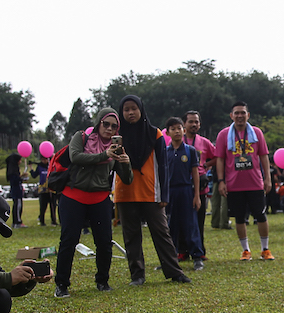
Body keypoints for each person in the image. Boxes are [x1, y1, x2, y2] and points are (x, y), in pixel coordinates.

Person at [111, 97, 191, 287]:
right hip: (125, 192)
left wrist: (164, 195)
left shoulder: (154, 134)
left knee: (162, 233)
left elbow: (163, 166)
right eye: (126, 110)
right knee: (131, 237)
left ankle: (174, 272)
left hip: (151, 192)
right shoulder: (117, 135)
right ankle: (137, 275)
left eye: (134, 109)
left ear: (141, 110)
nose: (130, 113)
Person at [54, 109, 133, 297]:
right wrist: (105, 155)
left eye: (114, 126)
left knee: (104, 243)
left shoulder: (115, 148)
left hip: (100, 199)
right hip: (73, 197)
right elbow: (77, 157)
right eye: (106, 124)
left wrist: (125, 162)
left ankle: (102, 281)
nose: (110, 129)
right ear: (98, 123)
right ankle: (62, 284)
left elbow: (127, 179)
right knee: (69, 240)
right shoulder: (81, 137)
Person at [215, 102, 274, 261]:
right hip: (234, 185)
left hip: (255, 183)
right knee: (239, 218)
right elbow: (220, 159)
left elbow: (263, 156)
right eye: (236, 113)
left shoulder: (256, 133)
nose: (239, 116)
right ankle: (246, 251)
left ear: (248, 115)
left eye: (242, 113)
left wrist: (267, 179)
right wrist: (221, 181)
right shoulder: (223, 135)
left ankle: (265, 249)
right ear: (231, 115)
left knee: (261, 216)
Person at [164, 117, 205, 271]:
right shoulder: (164, 152)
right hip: (170, 192)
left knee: (191, 225)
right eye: (173, 128)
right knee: (170, 226)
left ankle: (197, 256)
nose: (177, 131)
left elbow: (195, 173)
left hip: (186, 190)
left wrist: (196, 195)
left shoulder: (190, 151)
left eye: (179, 128)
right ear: (168, 132)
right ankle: (170, 258)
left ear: (184, 131)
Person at [184, 110, 216, 257]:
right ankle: (182, 251)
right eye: (190, 121)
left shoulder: (204, 142)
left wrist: (205, 165)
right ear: (184, 124)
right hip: (182, 186)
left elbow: (217, 157)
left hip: (200, 189)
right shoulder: (177, 141)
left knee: (199, 221)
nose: (194, 124)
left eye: (196, 122)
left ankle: (200, 251)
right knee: (182, 221)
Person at [31, 155, 57, 226]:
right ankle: (42, 221)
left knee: (53, 206)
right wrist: (31, 169)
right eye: (42, 159)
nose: (44, 161)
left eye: (45, 159)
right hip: (43, 190)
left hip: (51, 190)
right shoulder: (40, 167)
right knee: (43, 207)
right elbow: (34, 175)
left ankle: (54, 220)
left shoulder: (52, 166)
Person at [5, 153, 26, 228]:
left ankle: (17, 221)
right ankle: (17, 221)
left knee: (18, 205)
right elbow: (15, 181)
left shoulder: (13, 169)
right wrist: (21, 178)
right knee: (18, 205)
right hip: (16, 191)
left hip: (17, 190)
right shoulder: (13, 171)